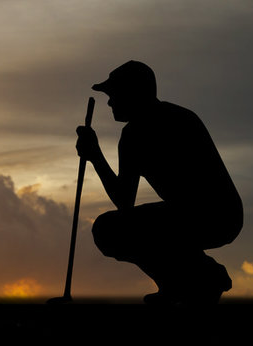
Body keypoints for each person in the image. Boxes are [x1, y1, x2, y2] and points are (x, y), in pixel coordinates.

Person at [76, 60, 242, 304]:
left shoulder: (148, 130)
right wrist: (95, 155)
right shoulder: (165, 122)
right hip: (207, 215)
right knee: (120, 229)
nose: (109, 102)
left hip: (214, 214)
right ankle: (190, 280)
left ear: (132, 93)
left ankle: (201, 277)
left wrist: (95, 156)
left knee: (110, 229)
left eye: (114, 94)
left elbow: (124, 203)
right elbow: (126, 202)